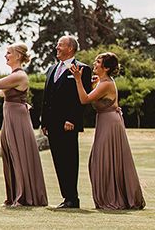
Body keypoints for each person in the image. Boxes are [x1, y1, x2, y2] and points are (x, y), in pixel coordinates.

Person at [70, 52, 145, 210]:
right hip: (105, 121)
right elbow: (94, 97)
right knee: (99, 161)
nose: (94, 64)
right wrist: (92, 85)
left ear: (106, 67)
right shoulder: (102, 82)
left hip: (110, 123)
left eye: (98, 62)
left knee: (103, 161)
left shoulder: (106, 84)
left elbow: (85, 99)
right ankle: (109, 196)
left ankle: (112, 198)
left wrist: (78, 80)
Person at [0, 43, 47, 207]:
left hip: (17, 118)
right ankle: (14, 195)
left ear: (18, 56)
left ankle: (24, 196)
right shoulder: (13, 76)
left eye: (8, 53)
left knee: (19, 154)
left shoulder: (19, 76)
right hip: (10, 116)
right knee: (10, 154)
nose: (5, 56)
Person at [41, 35, 92, 209]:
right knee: (58, 160)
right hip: (52, 124)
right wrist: (44, 122)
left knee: (70, 160)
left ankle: (72, 198)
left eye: (60, 45)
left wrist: (73, 119)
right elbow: (46, 97)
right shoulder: (51, 69)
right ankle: (66, 197)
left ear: (70, 48)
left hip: (68, 124)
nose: (57, 47)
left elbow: (81, 98)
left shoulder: (82, 69)